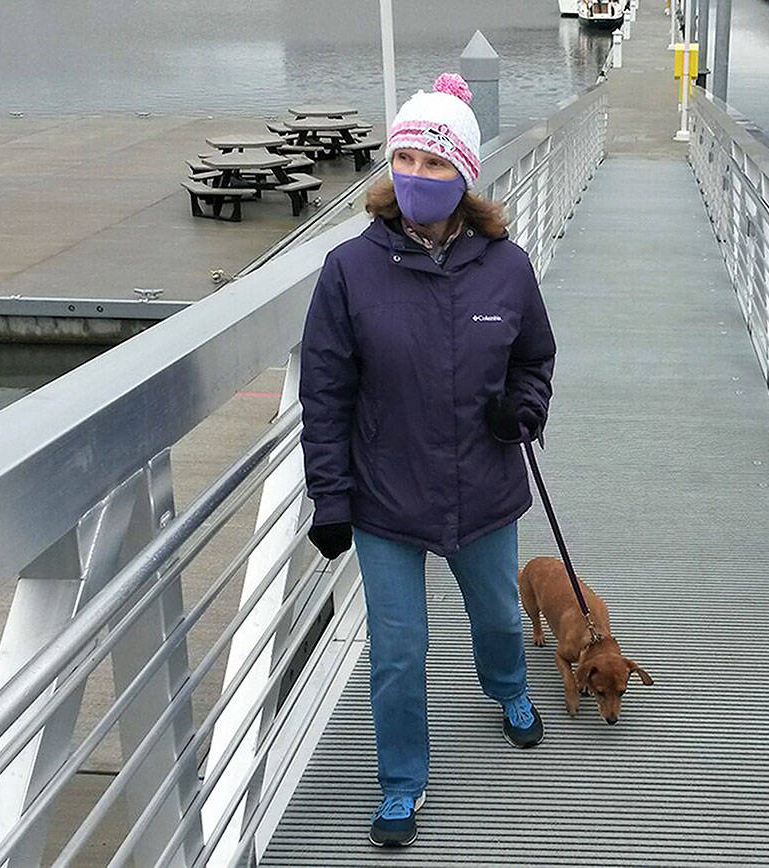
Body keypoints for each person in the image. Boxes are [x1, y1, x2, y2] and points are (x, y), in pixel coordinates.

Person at [298, 72, 557, 848]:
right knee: (398, 650)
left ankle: (507, 689)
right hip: (385, 499)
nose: (415, 175)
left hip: (482, 488)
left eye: (434, 163)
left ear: (465, 177)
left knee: (500, 618)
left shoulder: (506, 268)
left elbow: (535, 358)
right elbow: (326, 390)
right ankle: (403, 783)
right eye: (405, 159)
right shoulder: (349, 270)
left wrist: (525, 407)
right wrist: (331, 496)